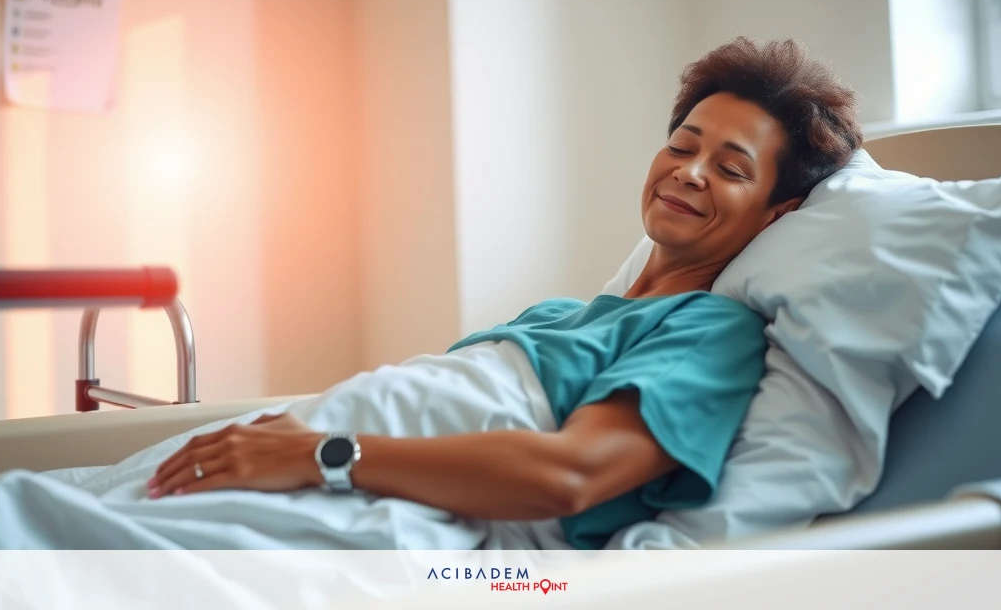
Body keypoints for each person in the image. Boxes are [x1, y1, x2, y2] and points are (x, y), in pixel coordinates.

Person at [144, 36, 864, 550]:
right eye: (682, 145)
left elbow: (570, 476)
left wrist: (321, 454)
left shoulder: (712, 330)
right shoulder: (557, 316)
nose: (691, 172)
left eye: (731, 167)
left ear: (777, 215)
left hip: (380, 514)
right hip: (300, 464)